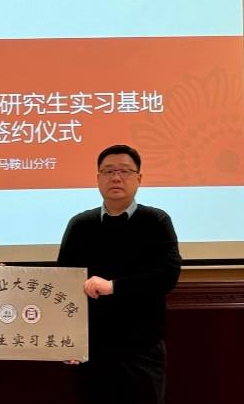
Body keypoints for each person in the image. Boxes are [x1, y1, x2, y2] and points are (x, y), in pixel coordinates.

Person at [57, 144, 182, 404]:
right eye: (108, 171)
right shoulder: (80, 224)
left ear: (139, 178)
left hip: (142, 345)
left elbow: (167, 275)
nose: (116, 177)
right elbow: (64, 282)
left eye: (124, 171)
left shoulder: (157, 221)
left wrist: (113, 286)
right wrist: (69, 340)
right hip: (92, 346)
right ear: (97, 178)